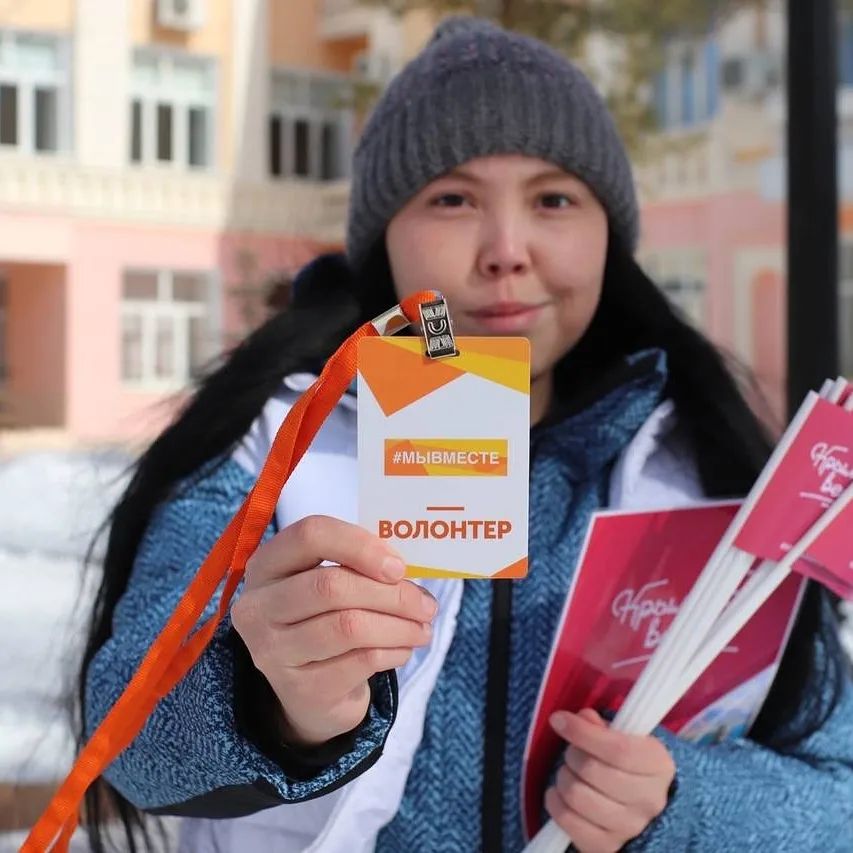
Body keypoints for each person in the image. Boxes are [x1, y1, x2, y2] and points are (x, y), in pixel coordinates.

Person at [79, 16, 853, 853]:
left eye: (553, 199)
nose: (505, 251)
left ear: (609, 234)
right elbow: (130, 741)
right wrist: (270, 701)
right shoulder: (271, 444)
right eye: (451, 199)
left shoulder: (708, 469)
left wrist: (682, 802)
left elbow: (836, 785)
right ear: (385, 237)